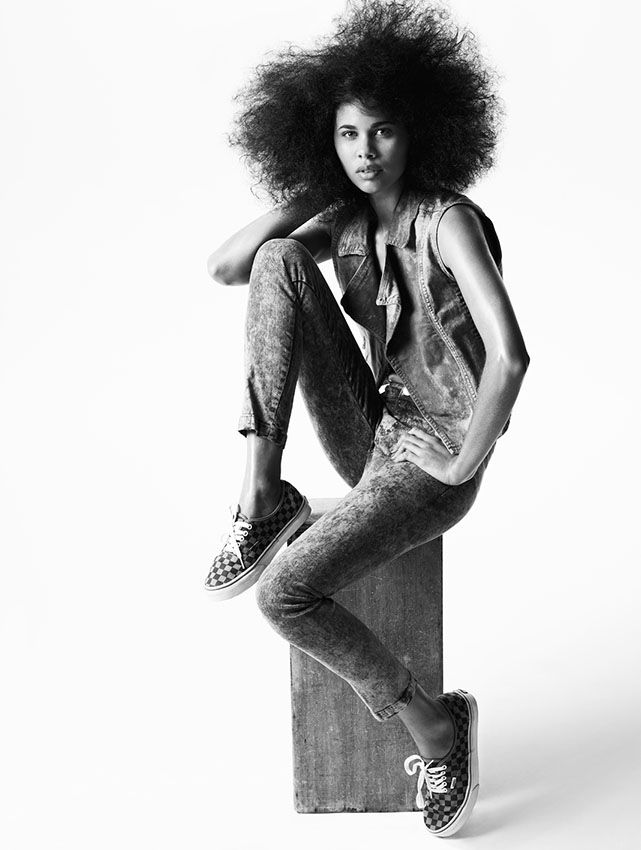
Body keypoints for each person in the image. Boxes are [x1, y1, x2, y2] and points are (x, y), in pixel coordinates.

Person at [204, 0, 529, 837]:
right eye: (346, 135)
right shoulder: (349, 216)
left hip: (432, 461)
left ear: (416, 131)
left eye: (381, 131)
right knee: (280, 258)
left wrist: (458, 464)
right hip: (374, 430)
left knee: (283, 595)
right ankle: (262, 495)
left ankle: (435, 726)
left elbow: (509, 356)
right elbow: (230, 267)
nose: (365, 151)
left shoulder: (446, 222)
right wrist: (314, 187)